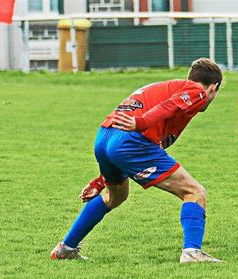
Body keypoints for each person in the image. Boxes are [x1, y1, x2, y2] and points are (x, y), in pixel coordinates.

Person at [50, 58, 224, 263]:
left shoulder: (169, 88)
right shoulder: (197, 91)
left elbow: (146, 132)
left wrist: (101, 180)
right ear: (214, 87)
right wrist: (141, 123)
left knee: (115, 196)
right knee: (194, 192)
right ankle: (192, 253)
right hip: (130, 139)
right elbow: (167, 107)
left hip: (105, 136)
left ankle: (65, 248)